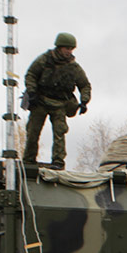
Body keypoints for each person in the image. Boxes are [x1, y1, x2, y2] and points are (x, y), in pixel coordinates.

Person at [23, 32, 92, 168]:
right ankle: (29, 160)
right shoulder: (44, 60)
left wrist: (84, 101)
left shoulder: (73, 67)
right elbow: (30, 75)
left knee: (60, 133)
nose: (69, 52)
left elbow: (85, 85)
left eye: (71, 49)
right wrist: (31, 92)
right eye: (67, 48)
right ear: (59, 47)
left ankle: (58, 161)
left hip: (60, 103)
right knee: (33, 131)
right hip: (41, 101)